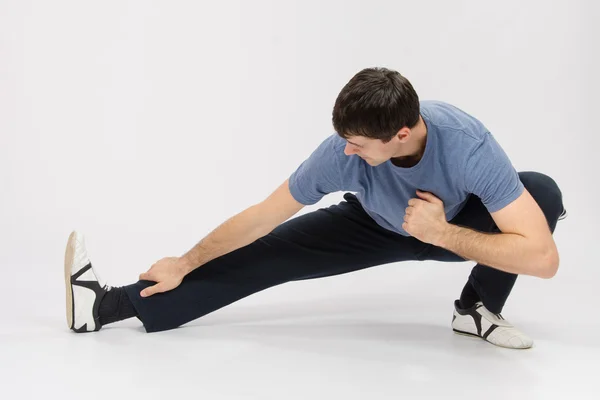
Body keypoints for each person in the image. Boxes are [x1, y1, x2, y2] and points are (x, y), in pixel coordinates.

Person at [64, 67, 566, 349]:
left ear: (403, 134)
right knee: (263, 254)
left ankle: (476, 310)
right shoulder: (341, 152)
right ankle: (107, 306)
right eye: (344, 139)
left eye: (361, 143)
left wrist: (442, 233)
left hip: (447, 225)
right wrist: (185, 261)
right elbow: (264, 214)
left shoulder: (468, 146)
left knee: (540, 193)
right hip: (372, 225)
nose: (348, 151)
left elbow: (544, 260)